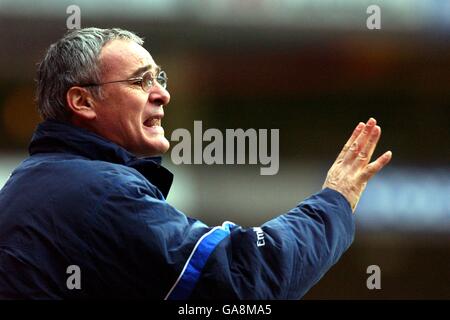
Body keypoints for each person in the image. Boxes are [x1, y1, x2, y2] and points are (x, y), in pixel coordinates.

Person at [0, 27, 392, 299]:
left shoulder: (38, 180)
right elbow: (243, 278)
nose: (162, 95)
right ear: (82, 102)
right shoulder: (96, 192)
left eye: (161, 79)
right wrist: (334, 200)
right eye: (140, 82)